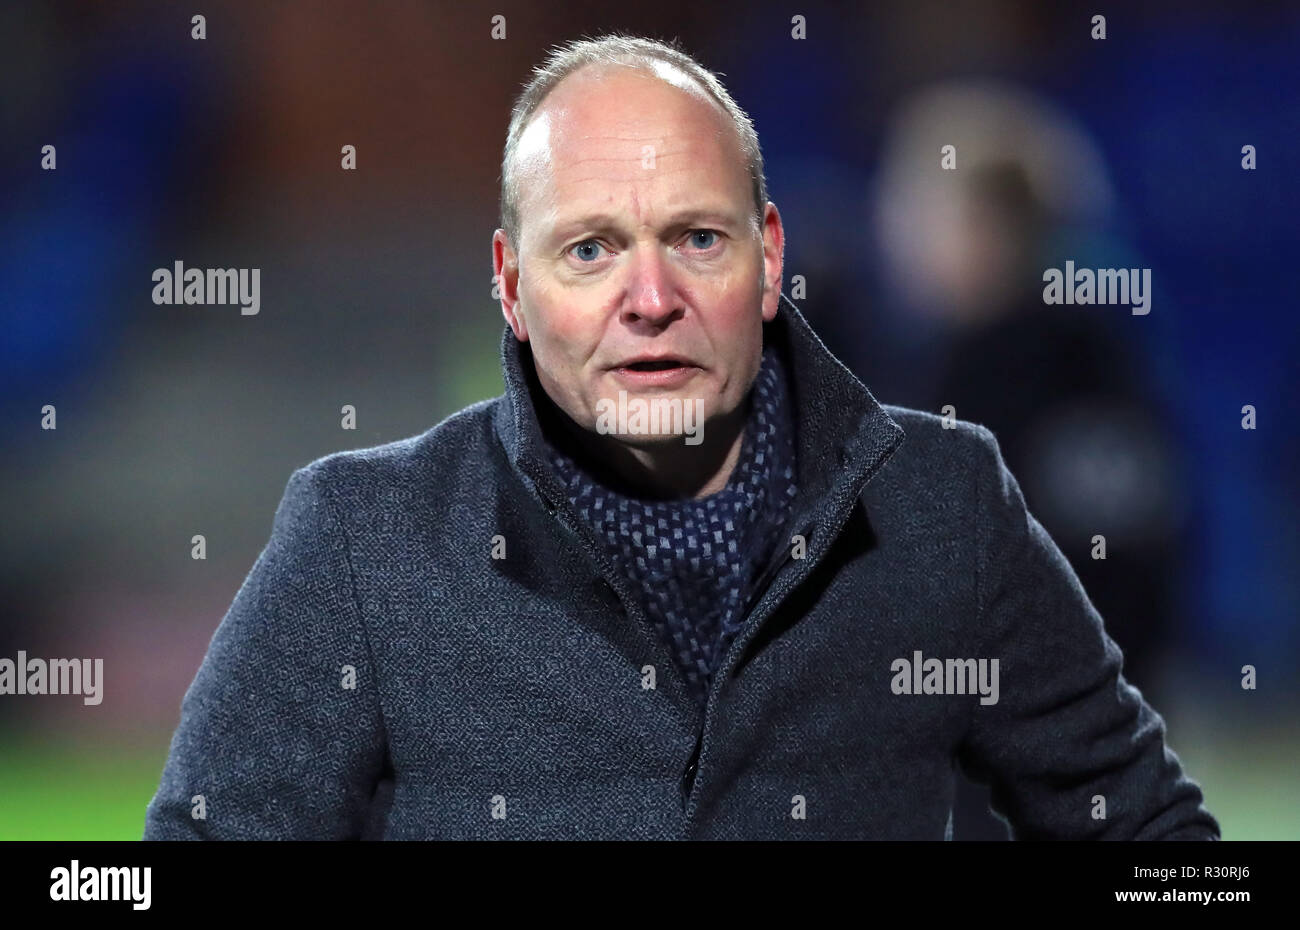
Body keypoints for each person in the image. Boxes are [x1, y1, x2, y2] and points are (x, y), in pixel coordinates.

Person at [143, 34, 1218, 840]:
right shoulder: (359, 535)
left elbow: (1155, 843)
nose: (647, 296)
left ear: (768, 260)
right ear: (511, 286)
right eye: (590, 250)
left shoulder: (942, 500)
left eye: (695, 239)